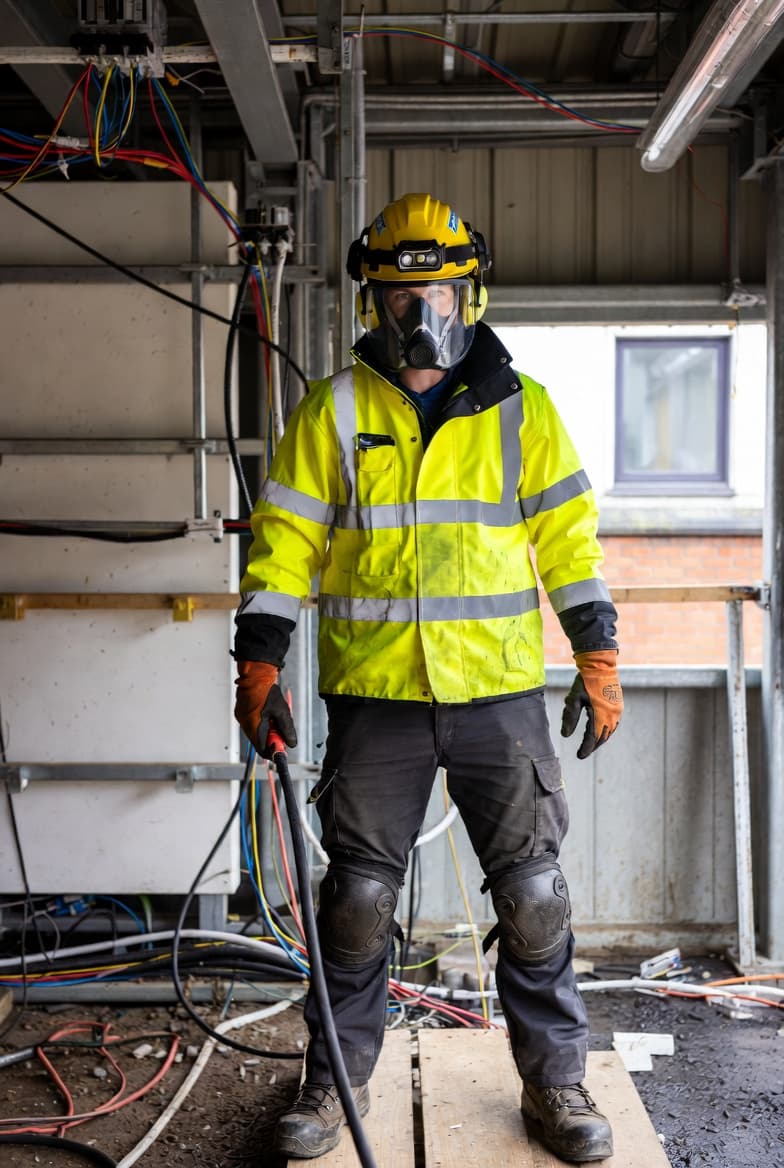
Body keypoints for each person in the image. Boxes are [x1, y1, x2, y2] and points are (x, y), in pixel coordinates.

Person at [233, 192, 624, 1163]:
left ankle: (556, 1083)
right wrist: (258, 657)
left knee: (534, 898)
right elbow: (283, 544)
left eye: (439, 296)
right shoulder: (336, 412)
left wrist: (597, 650)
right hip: (377, 701)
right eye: (401, 300)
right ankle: (332, 1084)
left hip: (496, 695)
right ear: (374, 301)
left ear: (471, 293)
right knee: (356, 904)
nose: (422, 319)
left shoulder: (520, 410)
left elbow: (567, 540)